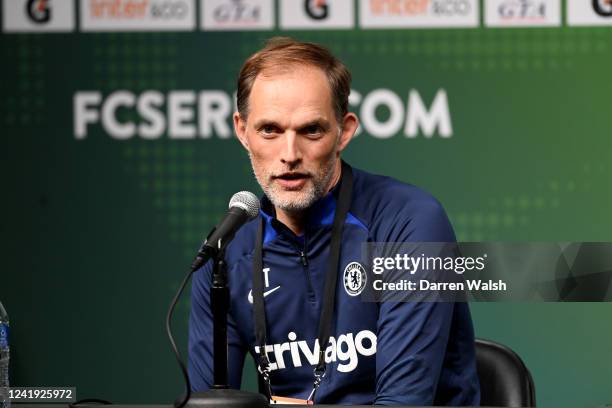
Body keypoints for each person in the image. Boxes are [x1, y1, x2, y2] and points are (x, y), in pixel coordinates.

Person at [188, 37, 480, 406]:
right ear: (243, 131)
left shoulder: (410, 224)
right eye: (270, 130)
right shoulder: (224, 252)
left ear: (344, 131)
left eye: (311, 130)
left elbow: (403, 404)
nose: (289, 155)